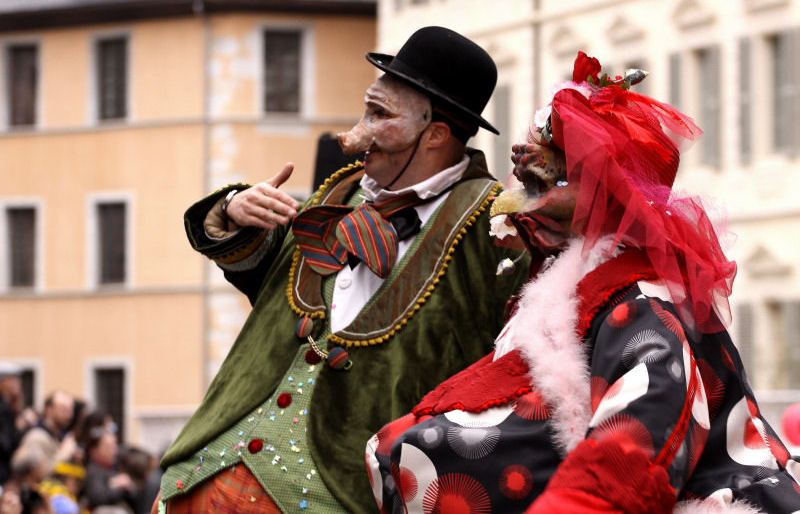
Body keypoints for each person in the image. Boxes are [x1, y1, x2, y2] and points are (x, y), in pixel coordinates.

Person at [366, 52, 800, 513]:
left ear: (608, 188)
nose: (525, 178)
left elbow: (630, 456)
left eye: (559, 168)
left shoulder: (642, 304)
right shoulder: (562, 294)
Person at [154, 25, 529, 513]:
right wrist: (231, 211)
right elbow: (261, 277)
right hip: (206, 473)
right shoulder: (338, 193)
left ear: (436, 134)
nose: (356, 130)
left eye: (379, 114)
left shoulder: (495, 226)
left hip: (344, 491)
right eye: (366, 108)